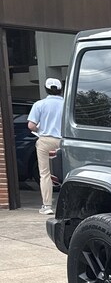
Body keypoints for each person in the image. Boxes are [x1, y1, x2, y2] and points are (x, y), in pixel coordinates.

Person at [27, 77, 64, 215]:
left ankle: (47, 206)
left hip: (45, 140)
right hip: (64, 141)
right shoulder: (66, 104)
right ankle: (67, 205)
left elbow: (31, 125)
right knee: (67, 172)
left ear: (46, 89)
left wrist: (40, 129)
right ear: (61, 90)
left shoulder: (39, 104)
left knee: (45, 174)